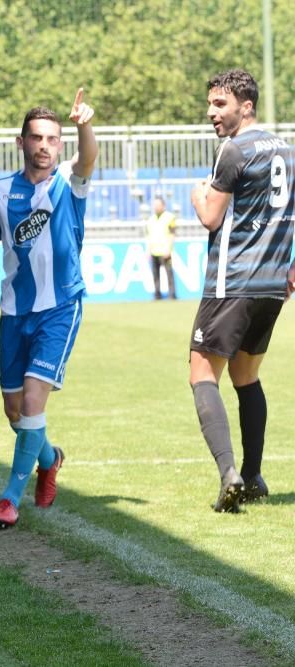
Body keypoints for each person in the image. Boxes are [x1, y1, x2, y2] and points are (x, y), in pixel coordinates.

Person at [0, 88, 97, 529]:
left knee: (34, 399)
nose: (45, 146)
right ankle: (49, 458)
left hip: (61, 307)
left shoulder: (69, 184)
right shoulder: (1, 192)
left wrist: (83, 124)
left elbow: (88, 156)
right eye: (37, 138)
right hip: (14, 312)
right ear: (22, 143)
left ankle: (9, 497)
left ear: (60, 143)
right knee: (15, 410)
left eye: (53, 139)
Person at [188, 69, 295, 513]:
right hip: (272, 285)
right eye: (211, 104)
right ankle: (253, 476)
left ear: (245, 107)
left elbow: (211, 217)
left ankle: (229, 473)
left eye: (220, 105)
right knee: (246, 377)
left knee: (201, 372)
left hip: (231, 282)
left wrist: (196, 194)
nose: (211, 113)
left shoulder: (232, 149)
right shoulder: (287, 148)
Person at [146, 195, 177, 299]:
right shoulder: (150, 219)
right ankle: (157, 294)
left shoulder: (169, 217)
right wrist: (148, 250)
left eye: (158, 205)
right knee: (155, 274)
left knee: (169, 274)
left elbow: (173, 234)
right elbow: (148, 236)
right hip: (154, 251)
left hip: (165, 250)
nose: (156, 207)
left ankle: (172, 294)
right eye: (154, 205)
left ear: (163, 206)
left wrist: (169, 248)